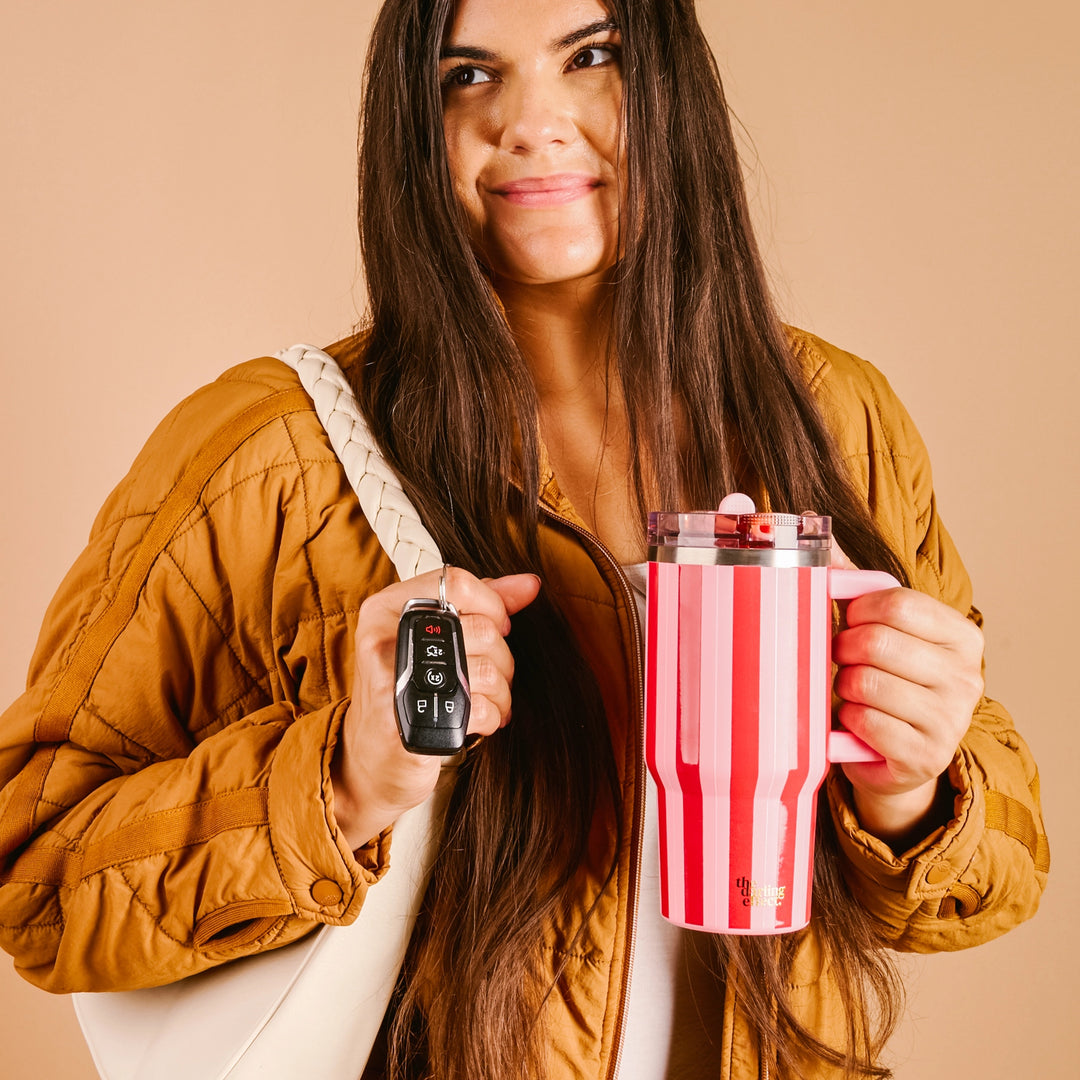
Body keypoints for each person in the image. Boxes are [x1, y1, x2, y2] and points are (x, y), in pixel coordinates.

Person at [0, 1, 1048, 1078]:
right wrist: (343, 780)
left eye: (591, 57)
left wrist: (915, 789)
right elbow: (32, 877)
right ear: (410, 124)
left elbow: (995, 880)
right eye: (468, 76)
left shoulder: (835, 416)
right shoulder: (268, 453)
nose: (532, 123)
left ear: (671, 86)